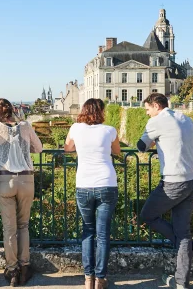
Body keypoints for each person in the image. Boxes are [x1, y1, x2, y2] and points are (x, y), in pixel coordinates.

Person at [137, 93, 193, 289]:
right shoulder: (186, 118)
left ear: (156, 106)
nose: (147, 113)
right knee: (183, 232)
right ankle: (181, 282)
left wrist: (156, 145)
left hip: (174, 182)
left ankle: (191, 247)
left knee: (148, 215)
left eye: (148, 108)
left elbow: (141, 146)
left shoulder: (156, 121)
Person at [64, 98, 121, 289]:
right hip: (106, 183)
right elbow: (117, 152)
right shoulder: (109, 130)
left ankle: (88, 278)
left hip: (84, 184)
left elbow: (68, 148)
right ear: (101, 112)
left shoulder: (75, 128)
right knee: (103, 234)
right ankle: (100, 278)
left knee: (87, 232)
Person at [0, 98, 43, 287]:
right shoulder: (26, 126)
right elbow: (39, 148)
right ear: (12, 110)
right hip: (26, 179)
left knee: (9, 228)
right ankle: (25, 266)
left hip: (5, 179)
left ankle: (12, 270)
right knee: (23, 225)